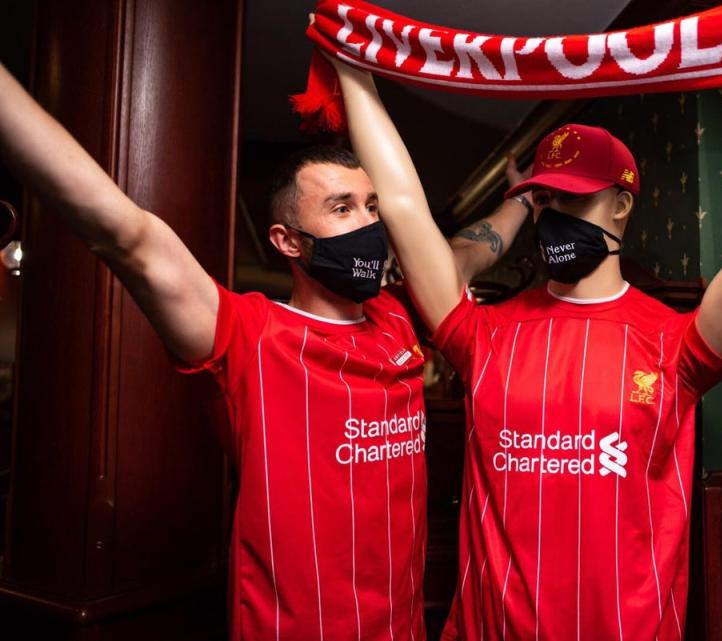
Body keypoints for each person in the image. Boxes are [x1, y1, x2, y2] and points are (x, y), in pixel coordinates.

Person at [332, 55, 722, 641]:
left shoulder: (674, 342)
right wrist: (353, 73)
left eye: (573, 198)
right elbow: (404, 207)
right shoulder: (484, 334)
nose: (555, 215)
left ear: (622, 203)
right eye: (545, 202)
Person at [0, 61, 530, 640]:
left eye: (371, 207)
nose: (368, 224)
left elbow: (469, 252)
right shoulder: (250, 334)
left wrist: (522, 202)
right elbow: (128, 237)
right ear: (286, 241)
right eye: (341, 208)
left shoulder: (402, 315)